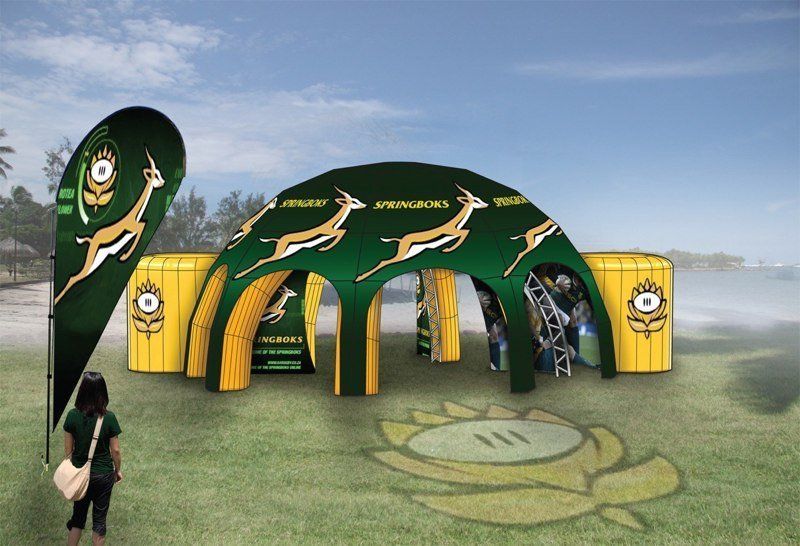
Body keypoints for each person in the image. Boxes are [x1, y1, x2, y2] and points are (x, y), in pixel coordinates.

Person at [64, 372, 122, 545]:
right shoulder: (109, 418)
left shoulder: (72, 416)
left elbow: (68, 452)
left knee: (77, 519)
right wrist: (117, 470)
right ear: (103, 392)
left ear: (82, 391)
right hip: (103, 475)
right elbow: (116, 451)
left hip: (80, 475)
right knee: (99, 521)